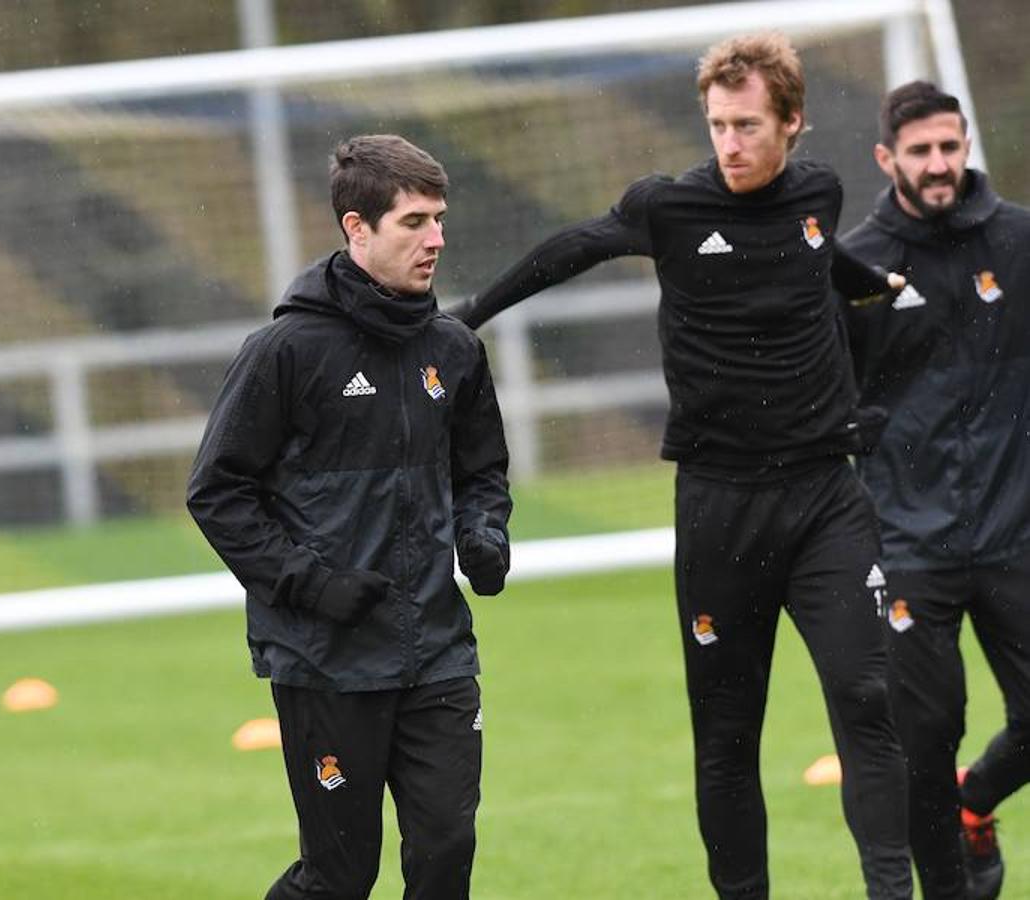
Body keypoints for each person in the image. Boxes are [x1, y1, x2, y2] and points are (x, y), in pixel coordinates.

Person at [449, 33, 912, 899]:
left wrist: (876, 284)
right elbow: (573, 247)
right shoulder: (669, 208)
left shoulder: (821, 191)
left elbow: (818, 255)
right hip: (720, 508)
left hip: (825, 499)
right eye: (717, 125)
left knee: (865, 697)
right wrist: (468, 315)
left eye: (746, 126)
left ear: (793, 123)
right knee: (728, 736)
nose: (729, 144)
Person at [187, 134, 512, 900]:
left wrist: (484, 532)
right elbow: (218, 491)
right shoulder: (285, 351)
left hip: (436, 650)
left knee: (444, 854)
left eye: (438, 219)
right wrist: (311, 584)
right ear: (356, 229)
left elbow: (482, 472)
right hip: (325, 658)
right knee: (338, 877)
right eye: (413, 222)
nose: (435, 239)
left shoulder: (454, 350)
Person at [841, 80, 1030, 900]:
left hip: (1017, 530)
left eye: (950, 146)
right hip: (911, 543)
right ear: (888, 158)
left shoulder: (1021, 242)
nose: (939, 163)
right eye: (920, 150)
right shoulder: (858, 263)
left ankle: (974, 801)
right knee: (924, 736)